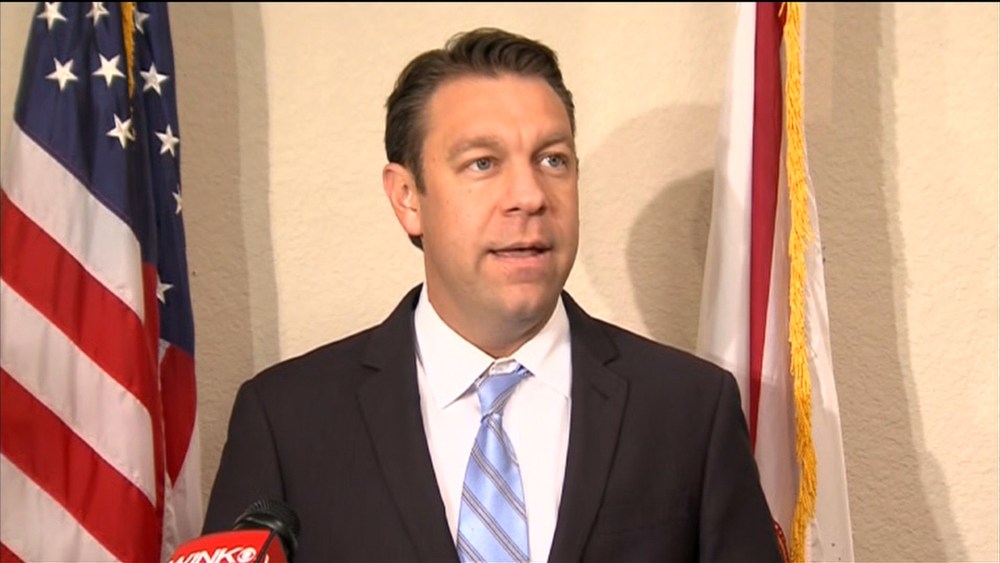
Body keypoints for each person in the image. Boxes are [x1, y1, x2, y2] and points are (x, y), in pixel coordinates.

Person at [203, 27, 782, 562]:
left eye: (553, 160)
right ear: (407, 197)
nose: (529, 195)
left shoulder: (690, 410)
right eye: (483, 163)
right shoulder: (286, 421)